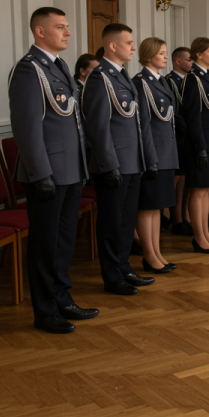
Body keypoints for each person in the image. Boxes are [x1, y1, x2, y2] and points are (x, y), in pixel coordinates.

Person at [8, 7, 98, 333]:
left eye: (67, 27)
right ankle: (45, 311)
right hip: (47, 172)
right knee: (45, 244)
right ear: (40, 31)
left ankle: (63, 299)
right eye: (61, 27)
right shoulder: (29, 70)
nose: (68, 33)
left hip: (71, 169)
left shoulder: (58, 68)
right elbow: (27, 128)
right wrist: (40, 173)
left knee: (63, 240)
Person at [82, 23, 158, 294]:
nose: (133, 47)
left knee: (126, 221)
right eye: (128, 43)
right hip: (114, 164)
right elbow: (98, 128)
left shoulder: (122, 76)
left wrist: (148, 159)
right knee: (112, 222)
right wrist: (109, 164)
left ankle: (124, 267)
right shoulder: (99, 77)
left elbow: (138, 123)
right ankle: (112, 276)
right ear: (112, 45)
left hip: (132, 162)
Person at [133, 38, 178, 273]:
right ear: (149, 56)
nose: (165, 57)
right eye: (161, 53)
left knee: (157, 207)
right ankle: (149, 255)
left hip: (166, 152)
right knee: (147, 206)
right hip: (154, 155)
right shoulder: (141, 83)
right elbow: (143, 126)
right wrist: (150, 158)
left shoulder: (160, 81)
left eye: (166, 52)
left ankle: (157, 252)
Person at [181, 37, 209, 254]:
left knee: (206, 190)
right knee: (198, 192)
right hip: (202, 144)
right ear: (199, 54)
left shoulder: (207, 77)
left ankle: (206, 235)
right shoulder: (193, 79)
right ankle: (199, 237)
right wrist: (200, 146)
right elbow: (192, 117)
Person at [166, 47, 193, 236]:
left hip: (190, 136)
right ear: (178, 62)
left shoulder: (189, 80)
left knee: (186, 179)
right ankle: (176, 219)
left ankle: (184, 217)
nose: (192, 63)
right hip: (179, 136)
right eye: (189, 59)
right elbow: (174, 111)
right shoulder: (170, 81)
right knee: (178, 179)